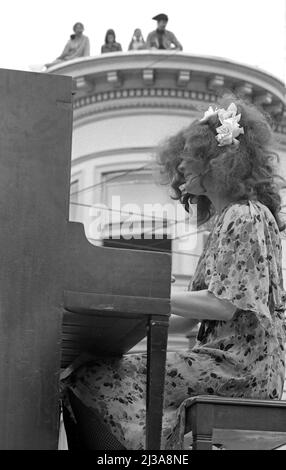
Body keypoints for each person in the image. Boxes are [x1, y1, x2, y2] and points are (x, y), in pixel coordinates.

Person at [60, 98, 286, 450]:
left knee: (89, 377)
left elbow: (224, 306)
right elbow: (185, 323)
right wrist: (131, 322)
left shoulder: (245, 214)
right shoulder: (228, 221)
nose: (179, 164)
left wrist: (151, 298)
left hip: (240, 368)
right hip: (226, 361)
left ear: (216, 160)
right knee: (95, 370)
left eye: (187, 155)